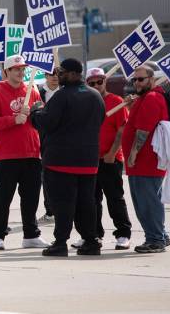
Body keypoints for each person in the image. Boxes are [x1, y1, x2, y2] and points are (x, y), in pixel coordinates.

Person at [30, 59, 105, 257]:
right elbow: (101, 121)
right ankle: (91, 241)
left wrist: (35, 111)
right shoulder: (95, 95)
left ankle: (60, 242)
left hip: (61, 161)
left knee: (62, 204)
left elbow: (47, 122)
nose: (58, 75)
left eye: (61, 72)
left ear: (73, 74)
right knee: (86, 203)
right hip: (88, 160)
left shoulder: (62, 96)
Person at [0, 55, 49, 251]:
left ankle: (30, 234)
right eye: (16, 69)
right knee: (3, 197)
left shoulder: (33, 90)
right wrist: (13, 120)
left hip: (31, 152)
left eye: (22, 69)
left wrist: (37, 114)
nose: (20, 72)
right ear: (7, 72)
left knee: (30, 197)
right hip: (7, 154)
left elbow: (41, 120)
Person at [70, 68, 132, 250]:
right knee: (90, 200)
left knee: (114, 198)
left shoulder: (116, 102)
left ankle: (123, 234)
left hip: (110, 159)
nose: (97, 85)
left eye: (100, 81)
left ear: (105, 81)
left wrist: (112, 153)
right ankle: (93, 235)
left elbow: (122, 130)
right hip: (89, 159)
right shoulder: (85, 102)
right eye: (92, 83)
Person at [122, 64, 170, 253]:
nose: (137, 83)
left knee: (147, 203)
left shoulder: (151, 98)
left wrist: (133, 153)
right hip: (142, 163)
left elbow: (143, 131)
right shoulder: (145, 98)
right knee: (147, 201)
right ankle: (161, 236)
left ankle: (155, 239)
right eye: (134, 79)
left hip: (146, 162)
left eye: (141, 79)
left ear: (152, 79)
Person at [38, 68, 60, 222]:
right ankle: (50, 210)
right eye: (51, 74)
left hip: (62, 139)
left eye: (58, 74)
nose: (55, 78)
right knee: (46, 175)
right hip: (42, 138)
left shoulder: (65, 92)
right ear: (45, 75)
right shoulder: (37, 92)